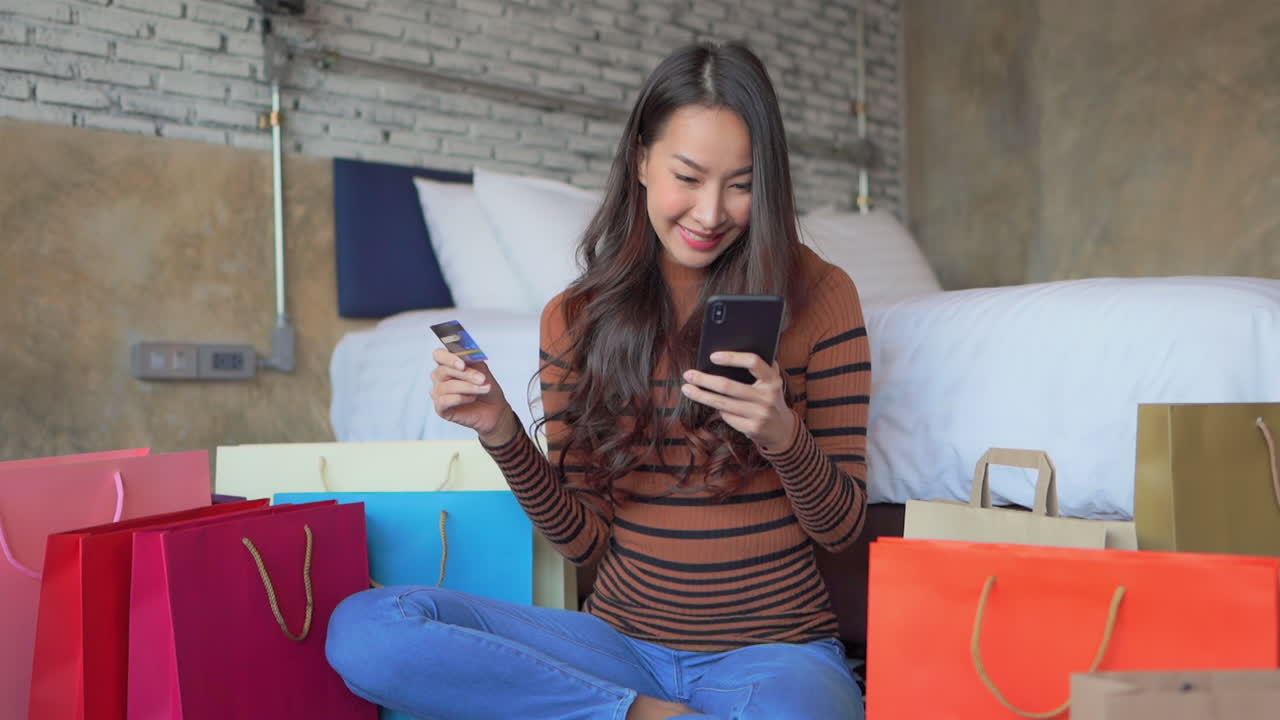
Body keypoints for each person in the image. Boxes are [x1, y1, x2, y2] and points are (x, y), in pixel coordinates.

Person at [326, 40, 871, 720]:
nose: (710, 213)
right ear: (642, 159)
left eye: (741, 184)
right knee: (367, 633)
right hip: (620, 654)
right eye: (689, 177)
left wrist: (783, 432)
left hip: (774, 656)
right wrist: (500, 430)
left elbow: (843, 526)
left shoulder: (822, 296)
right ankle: (640, 715)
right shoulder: (577, 318)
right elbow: (583, 538)